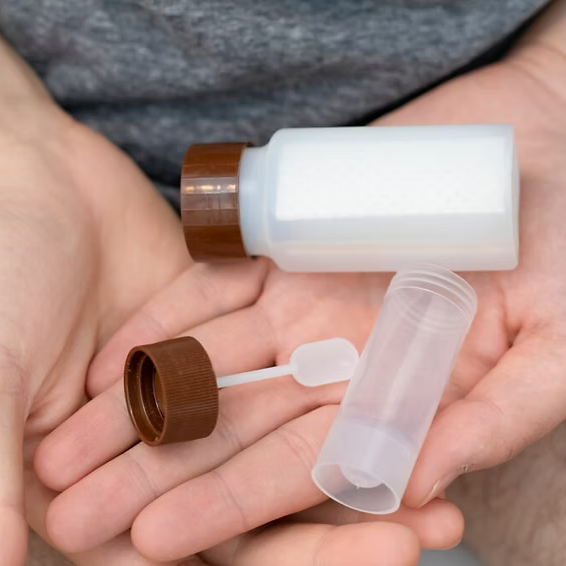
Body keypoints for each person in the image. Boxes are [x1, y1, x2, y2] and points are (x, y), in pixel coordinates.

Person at [1, 0, 566, 564]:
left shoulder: (290, 214)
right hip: (80, 150)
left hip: (512, 78)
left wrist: (552, 80)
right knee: (84, 506)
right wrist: (18, 131)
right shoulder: (286, 217)